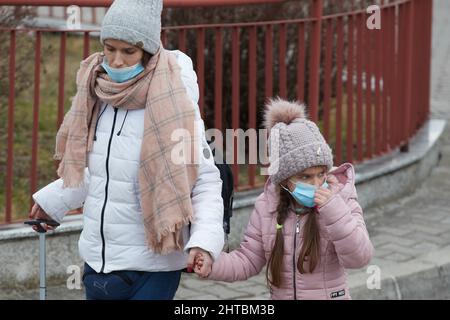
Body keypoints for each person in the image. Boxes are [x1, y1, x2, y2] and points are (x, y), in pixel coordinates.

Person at [28, 0, 224, 300]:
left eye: (128, 51)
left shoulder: (175, 104)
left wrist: (204, 242)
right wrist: (55, 201)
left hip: (153, 267)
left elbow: (204, 182)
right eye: (110, 48)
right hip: (99, 260)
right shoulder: (98, 96)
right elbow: (104, 172)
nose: (116, 61)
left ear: (147, 53)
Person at [195, 98, 374, 300]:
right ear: (284, 179)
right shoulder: (267, 205)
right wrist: (212, 264)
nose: (316, 184)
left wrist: (334, 210)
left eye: (321, 174)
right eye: (305, 177)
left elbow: (360, 258)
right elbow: (248, 260)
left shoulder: (341, 198)